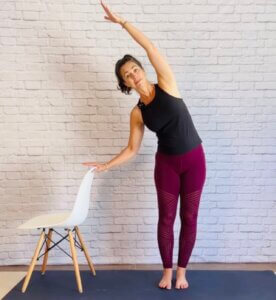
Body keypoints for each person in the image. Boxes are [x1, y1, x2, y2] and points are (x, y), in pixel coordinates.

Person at [83, 0, 207, 290]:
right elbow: (132, 150)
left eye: (134, 69)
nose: (133, 75)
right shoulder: (137, 113)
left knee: (189, 217)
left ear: (141, 68)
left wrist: (122, 22)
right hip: (166, 165)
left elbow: (150, 47)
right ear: (125, 84)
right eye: (126, 75)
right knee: (166, 219)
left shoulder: (167, 83)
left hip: (194, 160)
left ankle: (182, 273)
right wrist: (105, 165)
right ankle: (166, 271)